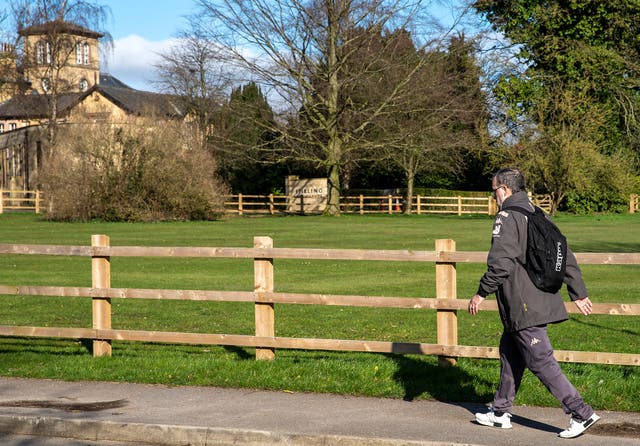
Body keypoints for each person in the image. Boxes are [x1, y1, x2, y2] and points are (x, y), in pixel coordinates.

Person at [468, 167, 600, 439]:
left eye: (493, 190)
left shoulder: (508, 216)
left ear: (504, 189)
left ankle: (581, 413)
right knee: (510, 352)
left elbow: (501, 263)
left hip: (524, 305)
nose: (493, 196)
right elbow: (566, 254)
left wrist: (481, 292)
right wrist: (578, 292)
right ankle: (500, 412)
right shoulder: (537, 212)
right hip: (539, 299)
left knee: (541, 360)